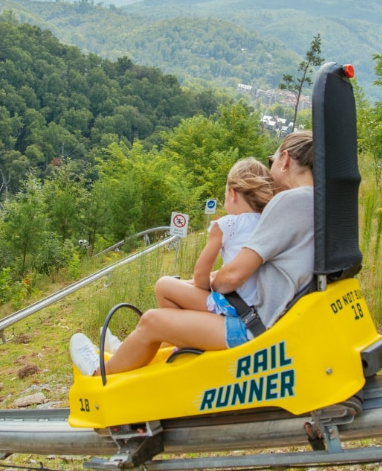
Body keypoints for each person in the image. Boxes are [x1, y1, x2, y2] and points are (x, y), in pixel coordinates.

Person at [70, 131, 314, 376]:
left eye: (272, 162)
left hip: (253, 325)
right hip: (263, 314)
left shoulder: (291, 202)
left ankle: (98, 371)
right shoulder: (315, 201)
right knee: (171, 294)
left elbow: (232, 277)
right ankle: (134, 350)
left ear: (285, 159)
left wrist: (213, 283)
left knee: (152, 320)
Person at [153, 157, 275, 316]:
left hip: (233, 306)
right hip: (257, 307)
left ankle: (181, 336)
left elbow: (200, 274)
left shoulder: (227, 225)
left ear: (233, 194)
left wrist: (201, 293)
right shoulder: (270, 222)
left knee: (164, 286)